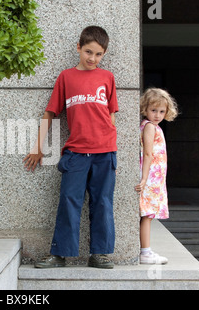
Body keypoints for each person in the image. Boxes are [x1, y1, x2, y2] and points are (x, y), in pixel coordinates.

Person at [23, 26, 119, 269]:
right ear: (78, 47)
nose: (92, 58)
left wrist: (109, 141)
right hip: (75, 153)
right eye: (88, 52)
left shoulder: (107, 78)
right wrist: (38, 147)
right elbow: (50, 113)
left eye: (98, 54)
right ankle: (60, 254)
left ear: (104, 54)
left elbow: (111, 115)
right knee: (68, 200)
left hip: (104, 153)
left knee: (103, 202)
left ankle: (99, 253)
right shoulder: (66, 77)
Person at [134, 88, 178, 264]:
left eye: (161, 111)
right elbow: (147, 154)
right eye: (154, 110)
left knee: (147, 215)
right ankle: (145, 252)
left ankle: (145, 250)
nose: (157, 115)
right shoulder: (150, 127)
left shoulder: (153, 126)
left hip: (153, 178)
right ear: (145, 109)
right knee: (147, 215)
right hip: (150, 178)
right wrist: (144, 179)